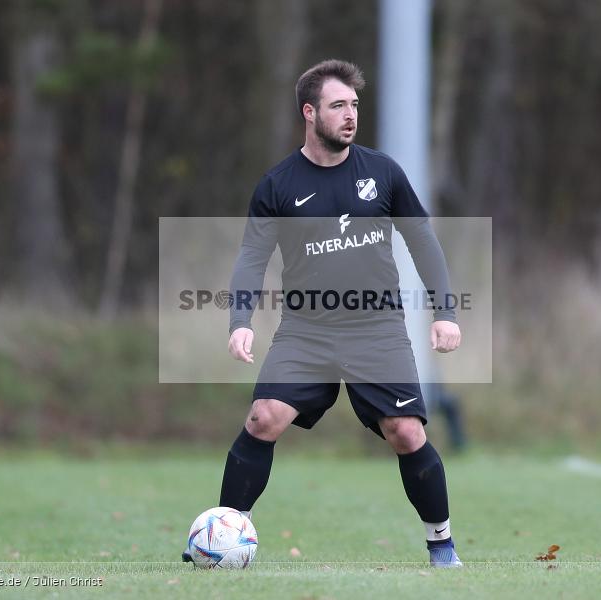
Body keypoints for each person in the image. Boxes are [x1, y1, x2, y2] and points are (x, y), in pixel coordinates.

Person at [183, 59, 463, 567]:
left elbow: (423, 242)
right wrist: (239, 321)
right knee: (263, 418)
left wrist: (445, 311)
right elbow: (251, 258)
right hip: (306, 332)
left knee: (406, 431)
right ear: (310, 113)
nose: (351, 115)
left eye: (355, 105)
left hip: (376, 328)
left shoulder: (383, 173)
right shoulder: (278, 186)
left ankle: (441, 542)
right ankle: (218, 540)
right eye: (339, 106)